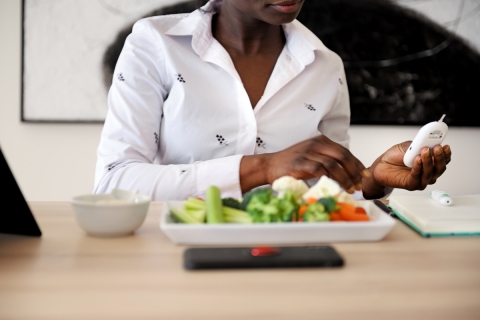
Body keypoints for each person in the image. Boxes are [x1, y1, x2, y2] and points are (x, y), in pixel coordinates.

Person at [94, 0, 451, 200]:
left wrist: (373, 179)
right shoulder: (154, 45)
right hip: (175, 261)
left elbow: (326, 194)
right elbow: (115, 183)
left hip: (294, 264)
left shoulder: (325, 66)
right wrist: (262, 167)